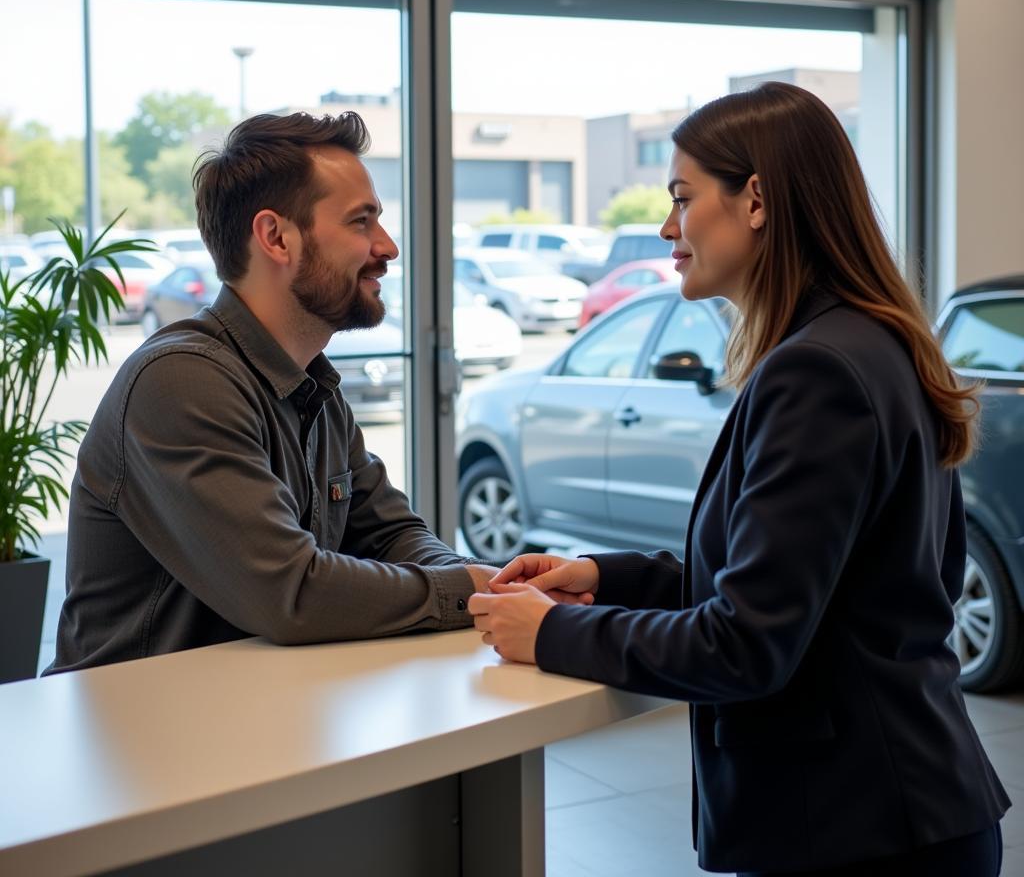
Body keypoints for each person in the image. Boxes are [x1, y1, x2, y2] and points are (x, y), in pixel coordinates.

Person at [469, 83, 1010, 876]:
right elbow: (795, 588)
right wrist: (598, 575)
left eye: (682, 198)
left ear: (755, 198)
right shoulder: (859, 343)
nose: (665, 228)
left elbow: (747, 643)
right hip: (892, 814)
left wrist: (551, 634)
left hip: (863, 827)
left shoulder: (817, 371)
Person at [46, 112, 499, 674]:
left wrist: (490, 589)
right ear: (276, 237)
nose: (388, 247)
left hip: (264, 718)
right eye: (361, 223)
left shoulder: (314, 385)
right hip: (141, 743)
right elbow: (291, 593)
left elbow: (391, 533)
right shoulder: (181, 381)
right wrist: (465, 589)